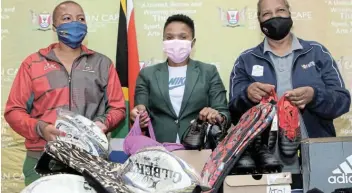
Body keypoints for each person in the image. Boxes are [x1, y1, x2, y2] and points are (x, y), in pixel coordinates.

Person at [229, 0, 351, 188]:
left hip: (317, 159)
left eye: (280, 10)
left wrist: (314, 96)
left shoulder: (316, 52)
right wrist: (247, 95)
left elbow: (342, 101)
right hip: (264, 163)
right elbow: (234, 113)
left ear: (289, 13)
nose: (275, 17)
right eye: (267, 14)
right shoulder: (246, 60)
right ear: (259, 20)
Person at [4, 1, 126, 186]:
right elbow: (14, 111)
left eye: (81, 18)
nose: (75, 23)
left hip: (91, 160)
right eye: (67, 18)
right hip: (42, 157)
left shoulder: (102, 64)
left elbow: (117, 107)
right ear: (55, 27)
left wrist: (102, 124)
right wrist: (41, 128)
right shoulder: (32, 64)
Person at [130, 14, 231, 144]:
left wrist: (217, 116)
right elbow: (140, 108)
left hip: (198, 148)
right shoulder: (147, 74)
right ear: (164, 42)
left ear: (192, 42)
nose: (176, 42)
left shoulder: (208, 72)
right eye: (169, 37)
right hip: (159, 149)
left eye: (183, 37)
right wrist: (138, 115)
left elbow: (224, 113)